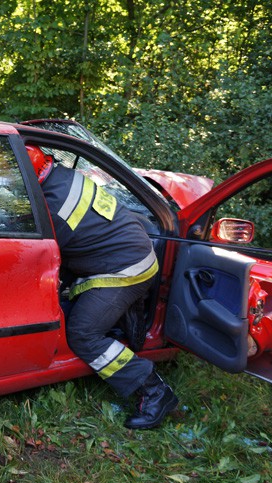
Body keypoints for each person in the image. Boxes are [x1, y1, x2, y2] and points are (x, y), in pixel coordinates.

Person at [28, 144, 179, 430]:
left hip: (124, 270)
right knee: (75, 305)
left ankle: (154, 391)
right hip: (126, 255)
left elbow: (43, 257)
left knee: (83, 333)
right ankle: (124, 311)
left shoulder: (53, 209)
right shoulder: (64, 176)